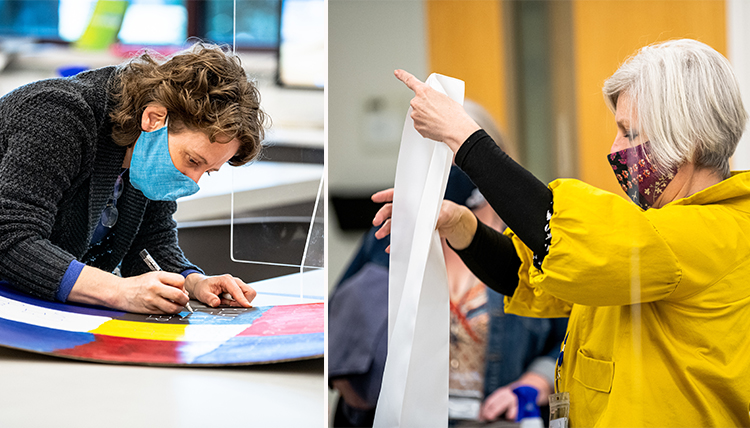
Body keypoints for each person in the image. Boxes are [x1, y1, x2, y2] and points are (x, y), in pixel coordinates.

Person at [373, 39, 750, 425]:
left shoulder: (712, 232)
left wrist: (463, 137)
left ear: (690, 140)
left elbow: (555, 228)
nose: (615, 148)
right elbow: (532, 273)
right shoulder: (646, 238)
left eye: (631, 134)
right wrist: (464, 228)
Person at [329, 102, 567, 427]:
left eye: (454, 152)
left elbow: (569, 335)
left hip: (492, 421)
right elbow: (339, 322)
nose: (444, 168)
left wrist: (533, 384)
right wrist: (350, 382)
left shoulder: (527, 241)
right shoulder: (392, 234)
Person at [0, 43, 267, 314]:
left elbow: (150, 242)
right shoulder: (58, 116)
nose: (193, 181)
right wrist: (118, 291)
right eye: (193, 161)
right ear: (153, 118)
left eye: (207, 171)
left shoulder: (145, 152)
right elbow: (10, 236)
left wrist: (193, 283)